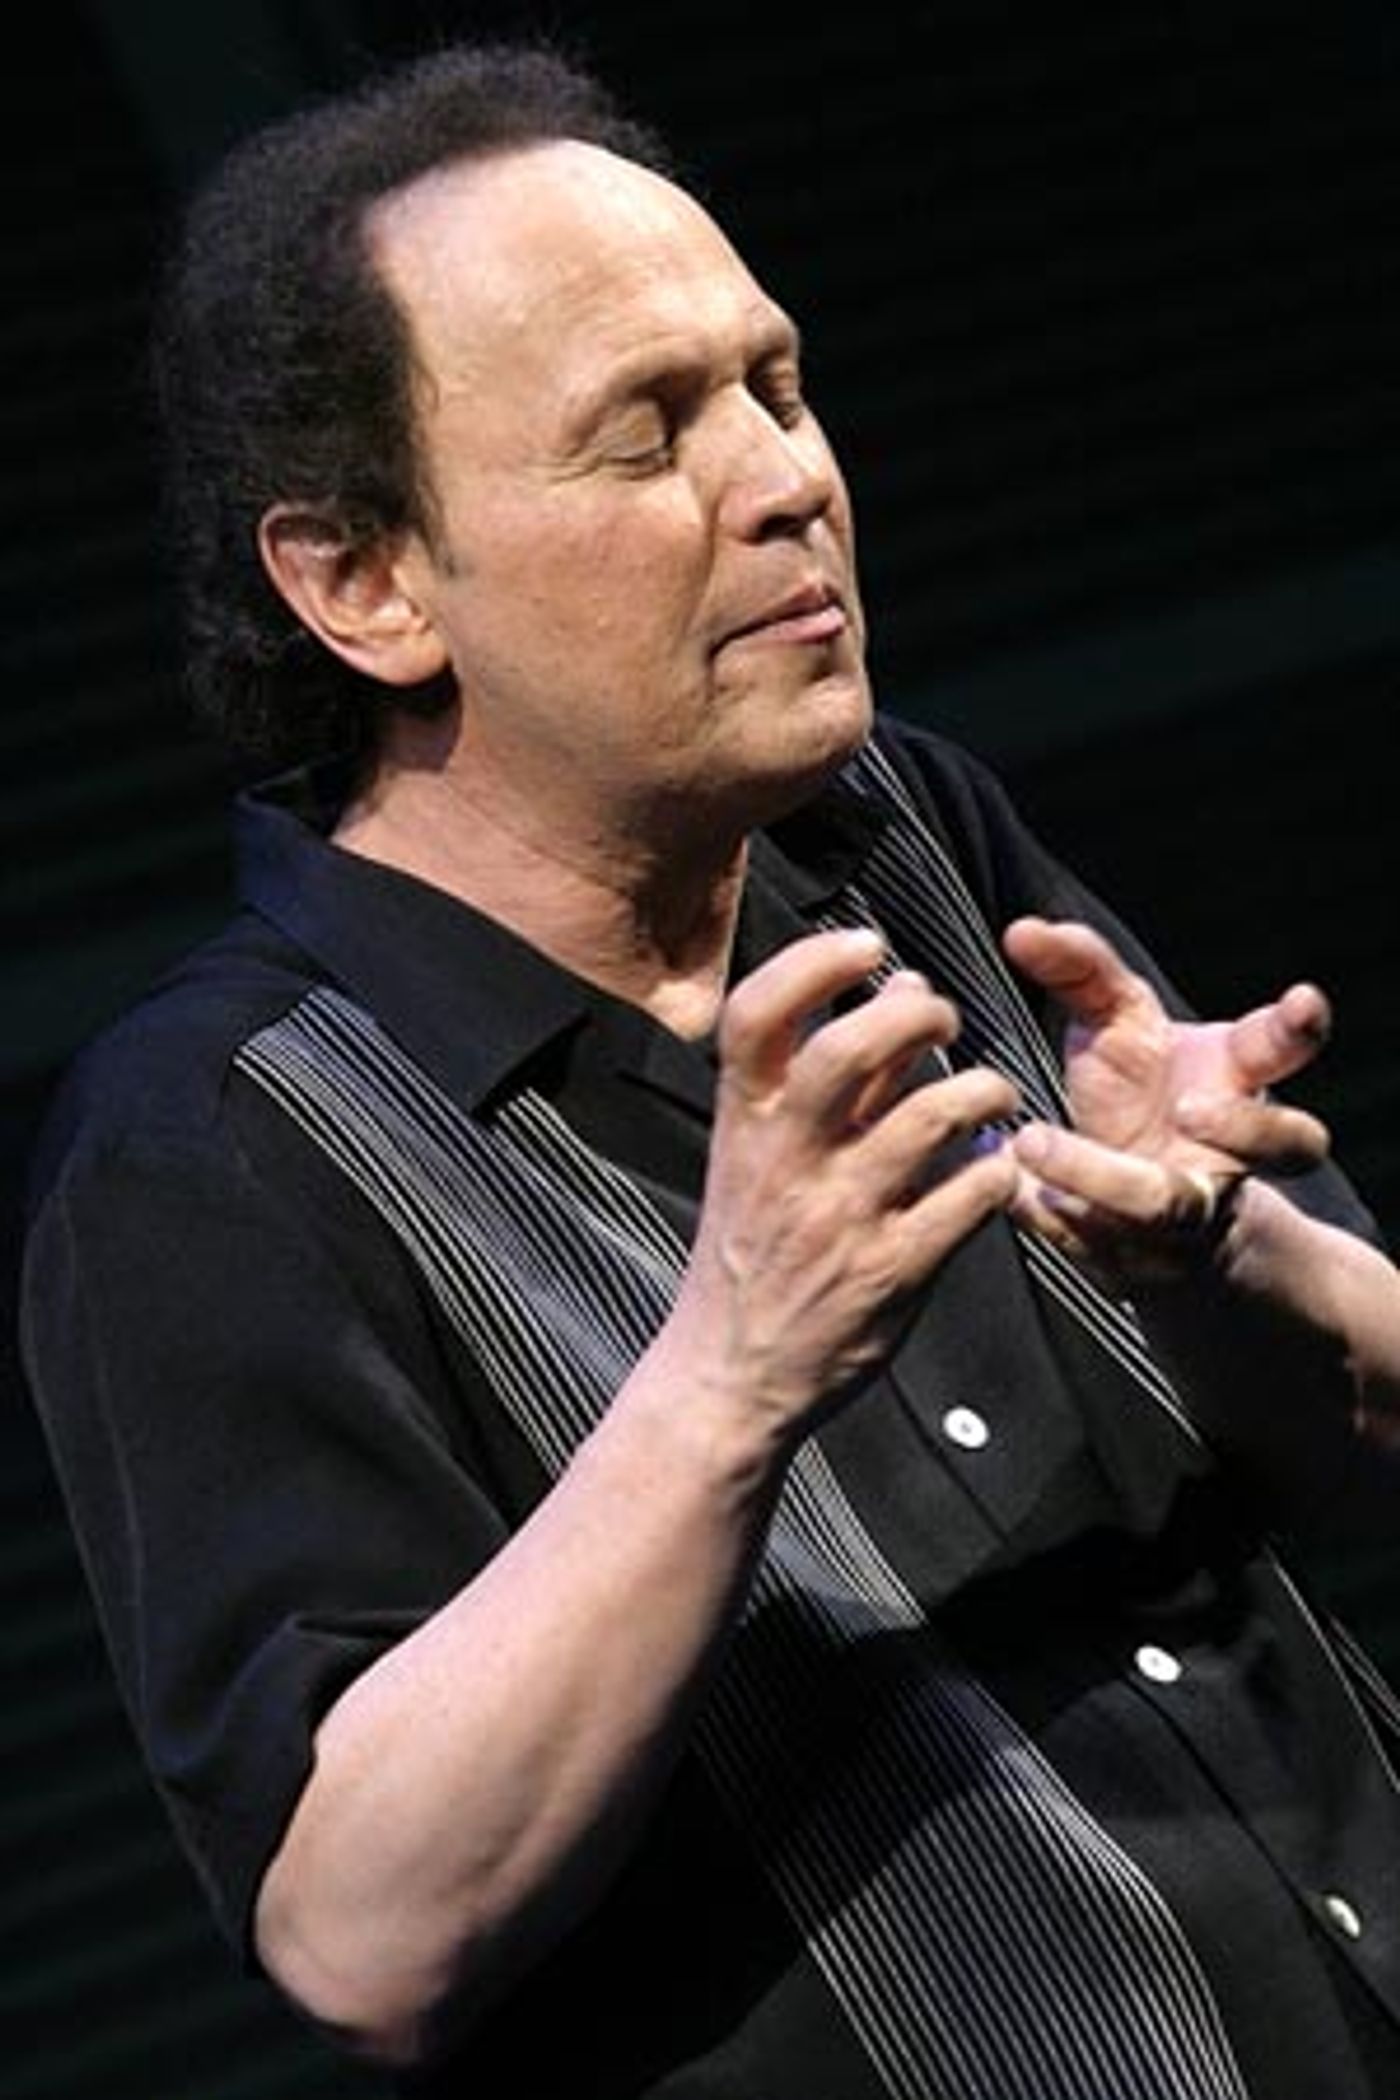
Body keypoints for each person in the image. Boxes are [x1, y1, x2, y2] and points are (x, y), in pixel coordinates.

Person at [19, 39, 1400, 2100]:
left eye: (774, 385)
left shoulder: (903, 833)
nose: (783, 480)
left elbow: (1361, 1427)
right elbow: (359, 1937)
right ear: (365, 584)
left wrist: (1223, 1256)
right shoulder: (216, 1143)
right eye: (642, 436)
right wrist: (730, 1377)